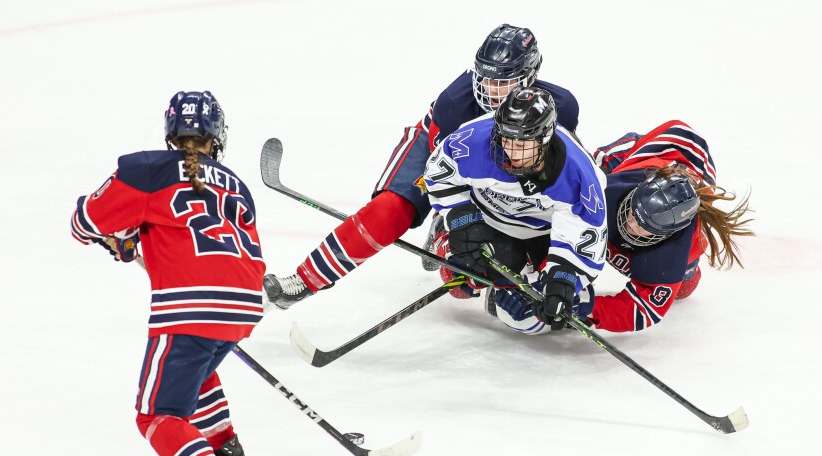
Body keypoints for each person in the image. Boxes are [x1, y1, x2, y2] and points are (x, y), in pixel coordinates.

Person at [70, 91, 265, 456]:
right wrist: (134, 238)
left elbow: (85, 222)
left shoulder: (147, 169)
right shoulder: (236, 184)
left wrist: (114, 236)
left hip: (190, 304)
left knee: (156, 413)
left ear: (169, 132)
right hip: (245, 302)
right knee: (196, 378)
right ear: (218, 136)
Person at [263, 23, 580, 308]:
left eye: (504, 82)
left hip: (496, 168)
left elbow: (562, 188)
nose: (491, 92)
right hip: (437, 148)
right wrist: (457, 217)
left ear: (530, 78)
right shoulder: (455, 106)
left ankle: (481, 271)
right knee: (391, 210)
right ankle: (305, 280)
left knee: (474, 267)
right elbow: (443, 176)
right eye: (485, 79)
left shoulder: (558, 111)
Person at [423, 85, 608, 334]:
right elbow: (437, 174)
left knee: (536, 314)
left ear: (545, 138)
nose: (511, 152)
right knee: (460, 283)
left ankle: (510, 282)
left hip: (542, 231)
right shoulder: (474, 141)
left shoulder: (577, 176)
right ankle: (443, 235)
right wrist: (460, 219)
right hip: (487, 217)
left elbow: (587, 236)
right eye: (506, 140)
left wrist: (563, 280)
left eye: (522, 145)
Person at [579, 119, 754, 332]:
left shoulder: (680, 246)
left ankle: (688, 272)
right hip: (658, 151)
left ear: (666, 234)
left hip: (691, 172)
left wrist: (590, 309)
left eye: (643, 227)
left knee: (683, 289)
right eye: (633, 214)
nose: (631, 226)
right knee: (588, 165)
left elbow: (644, 308)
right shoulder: (609, 188)